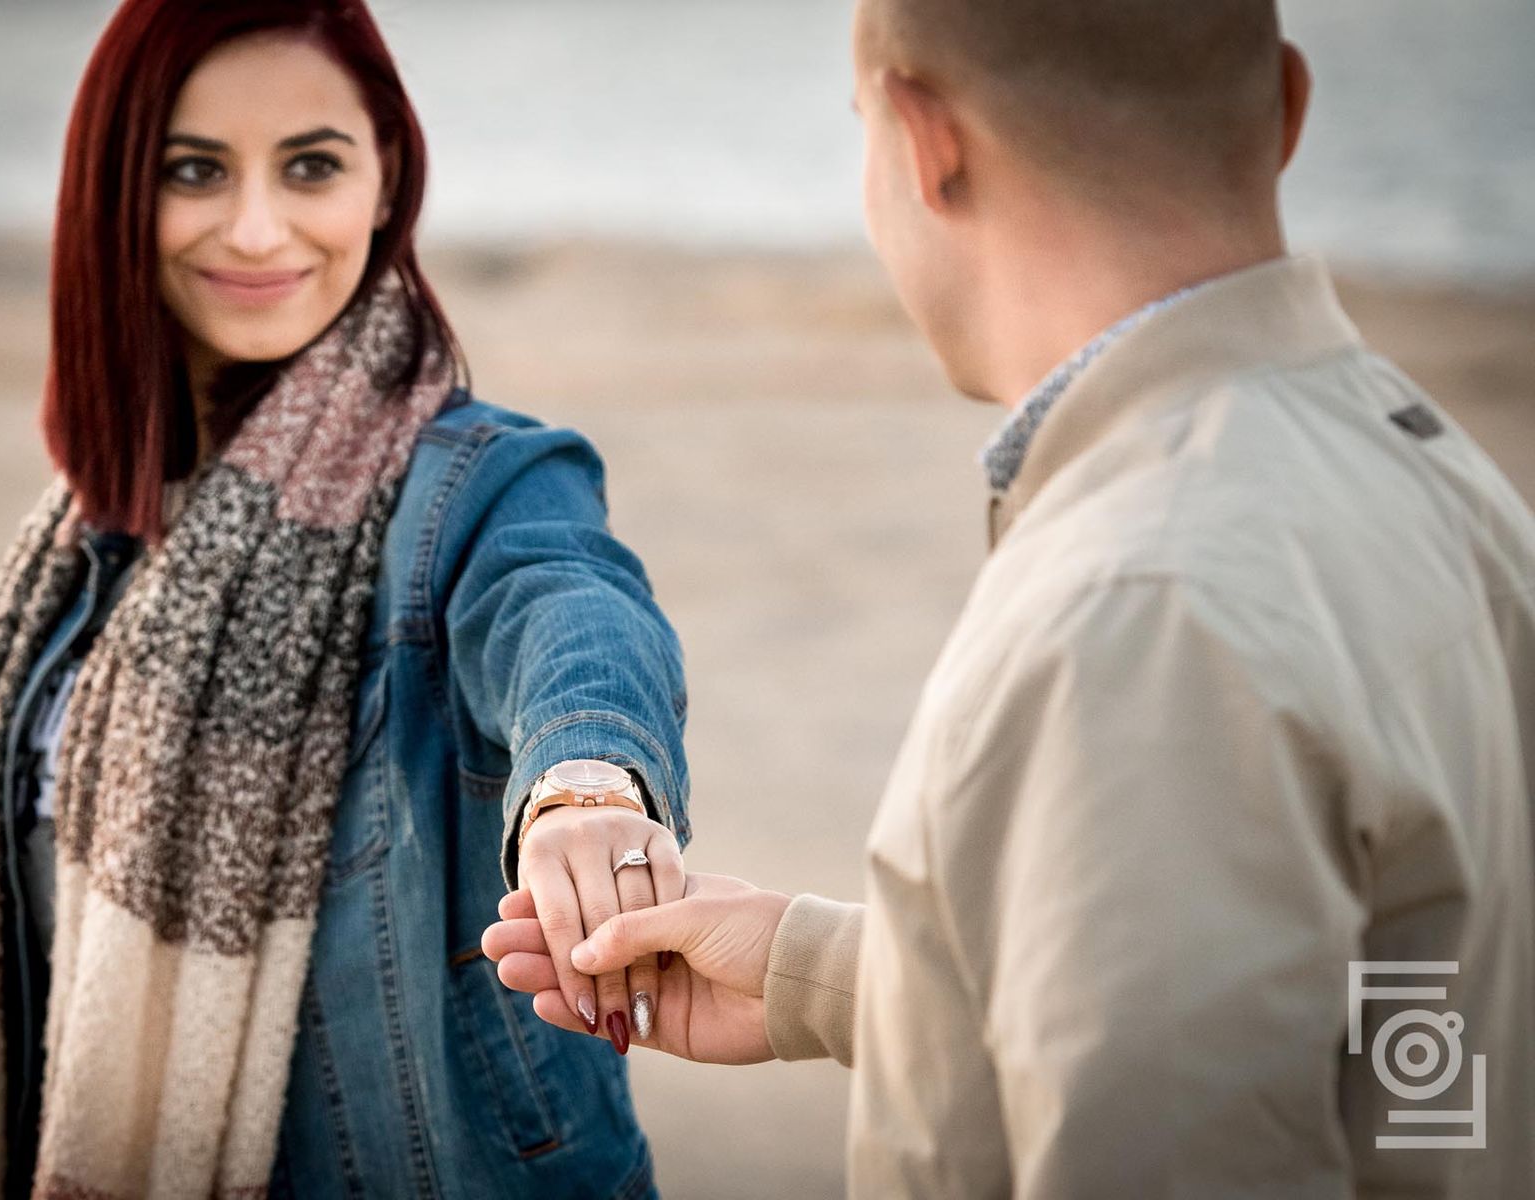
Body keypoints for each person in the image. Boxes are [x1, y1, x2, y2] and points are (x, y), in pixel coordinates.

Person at [486, 0, 1535, 1194]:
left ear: (925, 141)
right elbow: (1391, 1025)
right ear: (1289, 108)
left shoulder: (1139, 606)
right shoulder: (1441, 475)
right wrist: (809, 972)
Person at [0, 1, 687, 1196]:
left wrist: (587, 786)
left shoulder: (474, 481)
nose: (257, 229)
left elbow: (567, 604)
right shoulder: (87, 543)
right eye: (194, 171)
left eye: (311, 165)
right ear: (118, 195)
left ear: (385, 177)